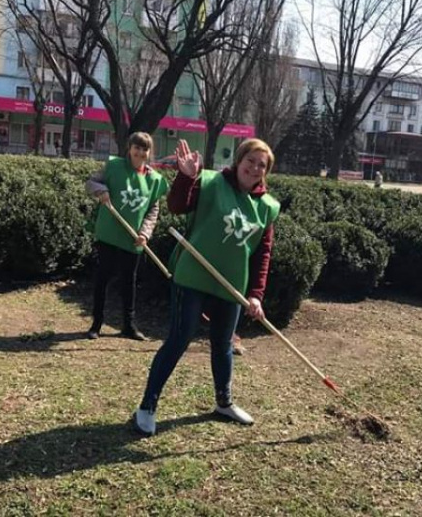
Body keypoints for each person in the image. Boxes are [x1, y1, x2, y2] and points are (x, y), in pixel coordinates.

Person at [133, 138, 280, 436]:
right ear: (239, 160)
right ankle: (147, 406)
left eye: (261, 165)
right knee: (179, 338)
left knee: (223, 344)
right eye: (250, 160)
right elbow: (177, 207)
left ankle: (224, 403)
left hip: (231, 285)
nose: (254, 168)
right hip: (193, 277)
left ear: (266, 172)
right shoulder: (211, 182)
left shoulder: (267, 207)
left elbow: (263, 253)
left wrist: (256, 295)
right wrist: (187, 177)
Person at [85, 132, 168, 341]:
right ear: (129, 148)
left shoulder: (154, 180)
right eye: (136, 148)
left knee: (128, 282)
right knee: (102, 279)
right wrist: (101, 190)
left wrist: (145, 233)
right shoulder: (114, 167)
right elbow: (91, 182)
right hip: (109, 235)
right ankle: (96, 323)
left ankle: (129, 325)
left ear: (149, 153)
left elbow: (152, 210)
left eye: (144, 149)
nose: (140, 152)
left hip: (133, 239)